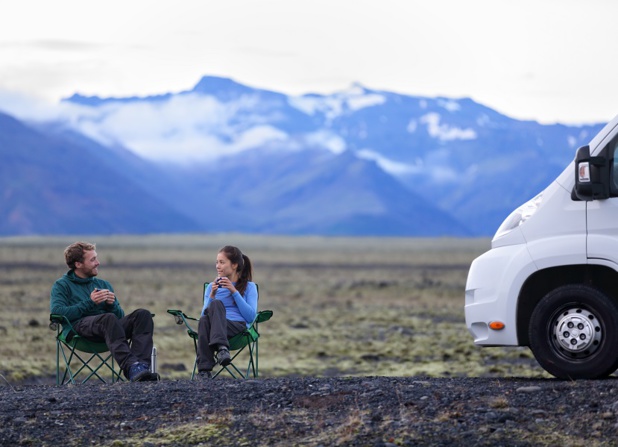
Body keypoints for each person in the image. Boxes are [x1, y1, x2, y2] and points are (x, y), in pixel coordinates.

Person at [50, 241, 159, 382]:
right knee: (107, 319)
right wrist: (90, 302)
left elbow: (119, 317)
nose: (98, 262)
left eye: (96, 258)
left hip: (110, 330)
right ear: (78, 264)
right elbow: (57, 312)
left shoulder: (103, 284)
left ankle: (141, 368)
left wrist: (111, 304)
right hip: (78, 329)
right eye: (93, 259)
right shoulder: (62, 285)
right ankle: (131, 366)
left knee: (142, 315)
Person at [197, 245, 258, 379]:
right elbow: (203, 317)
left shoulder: (249, 287)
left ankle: (218, 353)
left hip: (238, 328)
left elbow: (250, 317)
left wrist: (234, 291)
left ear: (234, 265)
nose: (218, 266)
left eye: (222, 262)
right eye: (217, 262)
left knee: (216, 306)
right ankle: (209, 365)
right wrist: (212, 295)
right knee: (207, 316)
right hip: (215, 330)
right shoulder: (211, 288)